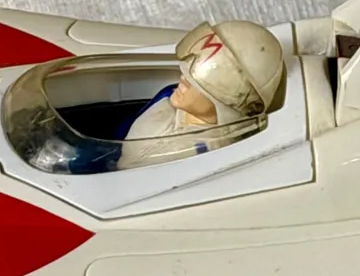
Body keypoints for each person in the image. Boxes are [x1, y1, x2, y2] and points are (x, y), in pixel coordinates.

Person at [116, 20, 285, 170]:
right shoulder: (172, 98)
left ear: (228, 101)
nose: (183, 79)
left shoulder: (192, 152)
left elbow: (130, 166)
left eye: (212, 75)